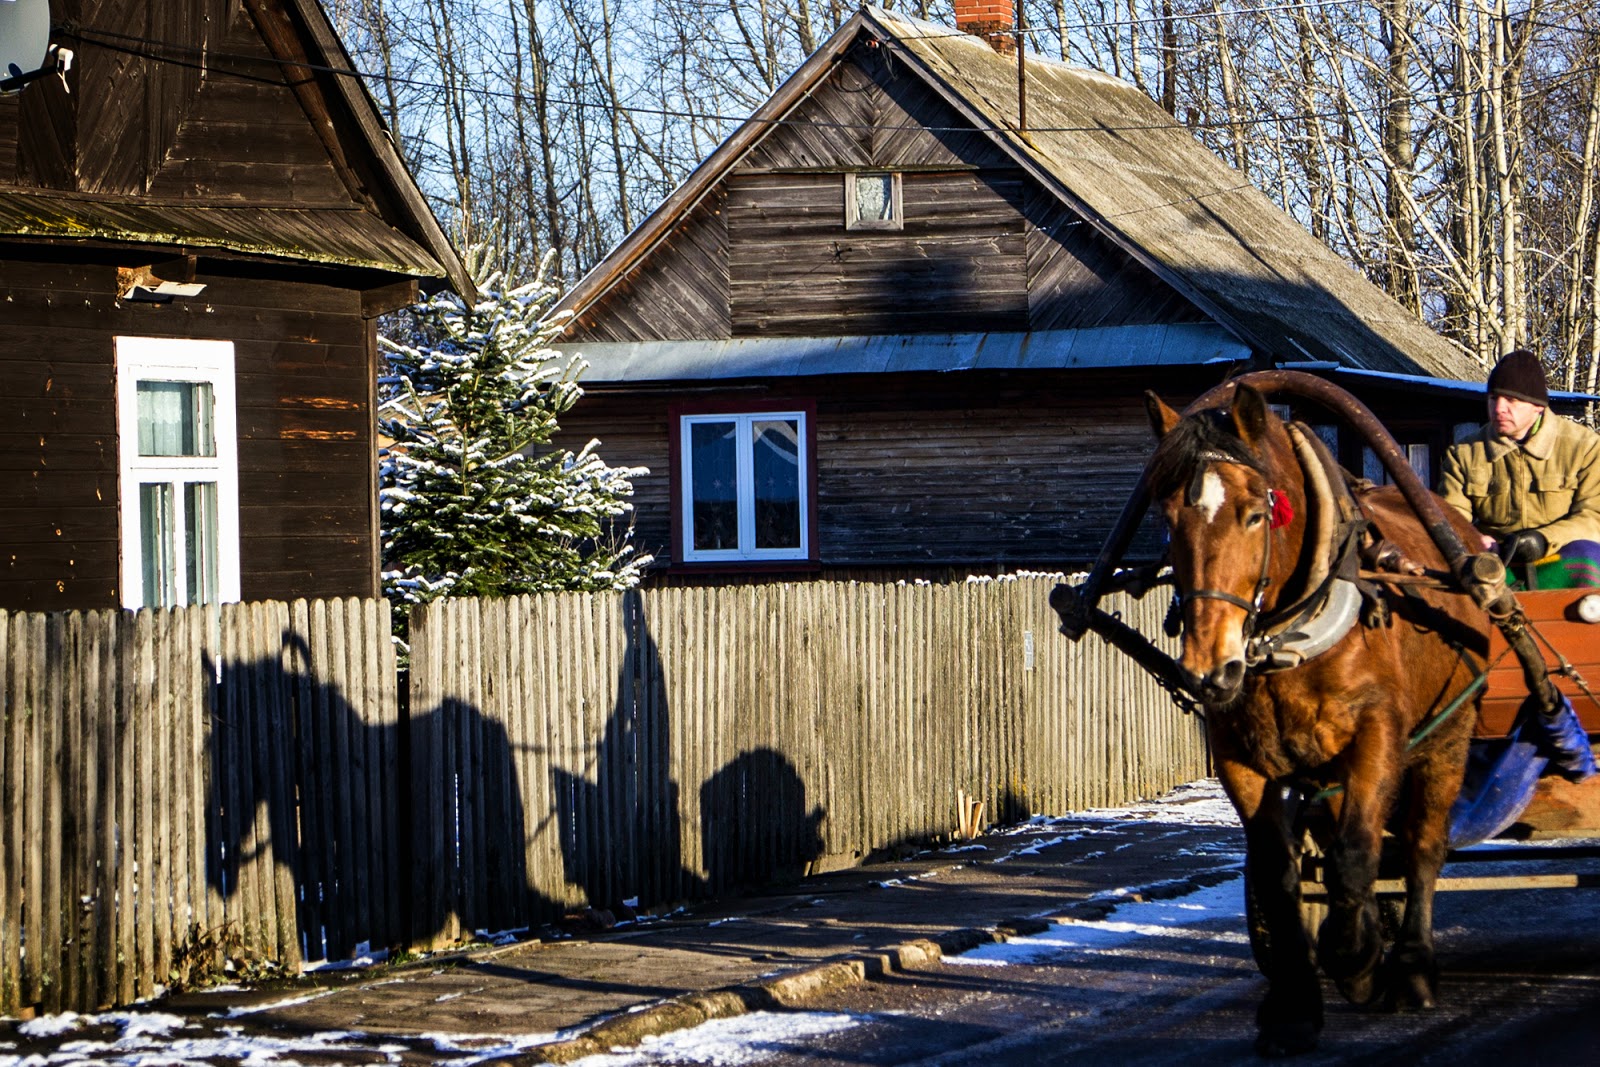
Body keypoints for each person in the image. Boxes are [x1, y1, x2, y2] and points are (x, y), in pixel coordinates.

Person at [1438, 348, 1600, 587]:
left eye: (1511, 400)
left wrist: (1543, 540)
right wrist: (1473, 539)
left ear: (1538, 406)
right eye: (1493, 398)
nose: (1499, 408)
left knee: (1589, 555)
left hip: (1559, 556)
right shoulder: (1464, 453)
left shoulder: (1585, 447)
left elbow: (1593, 518)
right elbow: (1450, 516)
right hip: (1494, 564)